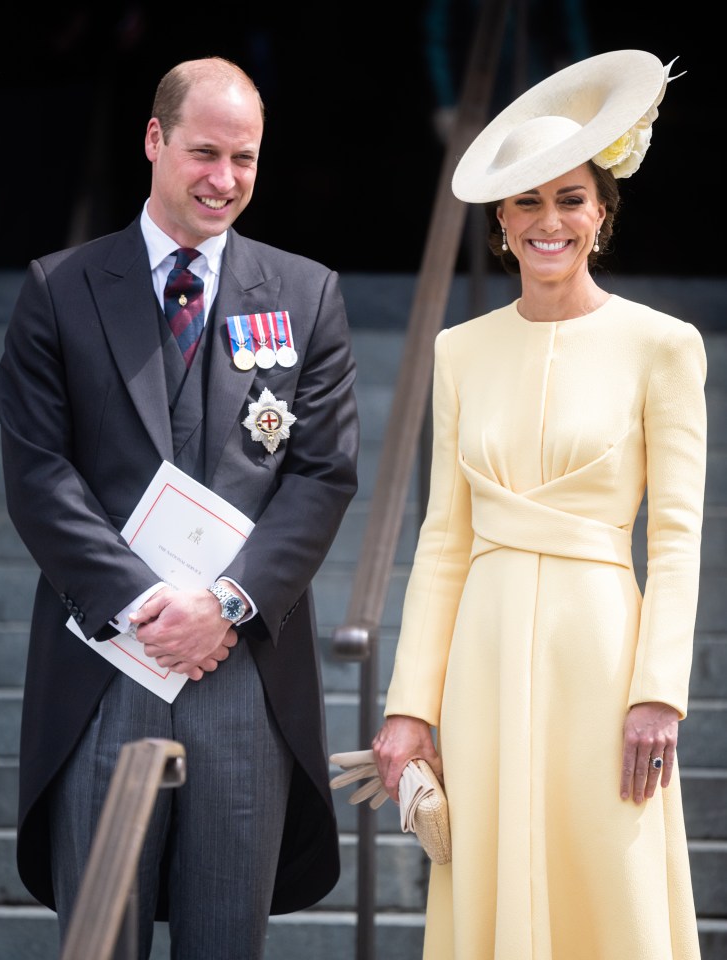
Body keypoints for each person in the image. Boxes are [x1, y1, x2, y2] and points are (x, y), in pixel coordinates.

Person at [0, 55, 359, 960]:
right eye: (205, 153)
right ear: (154, 140)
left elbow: (322, 474)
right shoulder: (59, 288)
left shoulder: (307, 294)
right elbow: (39, 472)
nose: (224, 180)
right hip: (106, 662)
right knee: (101, 936)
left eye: (246, 159)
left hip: (243, 673)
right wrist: (144, 607)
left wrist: (225, 603)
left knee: (224, 942)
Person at [372, 49, 706, 959]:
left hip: (602, 659)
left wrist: (658, 696)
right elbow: (442, 539)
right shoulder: (459, 350)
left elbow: (676, 543)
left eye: (570, 198)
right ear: (500, 221)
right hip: (480, 658)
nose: (548, 221)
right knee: (488, 885)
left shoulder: (663, 346)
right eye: (528, 202)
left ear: (601, 213)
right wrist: (410, 706)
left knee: (609, 879)